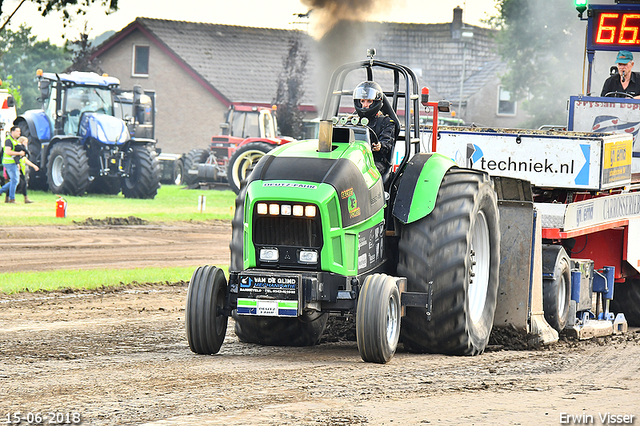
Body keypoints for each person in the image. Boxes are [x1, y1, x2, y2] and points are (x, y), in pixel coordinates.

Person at [353, 81, 396, 175]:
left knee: (363, 174)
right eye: (362, 101)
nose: (365, 105)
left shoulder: (386, 122)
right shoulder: (352, 121)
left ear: (376, 102)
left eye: (369, 101)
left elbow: (387, 143)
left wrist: (380, 146)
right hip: (353, 160)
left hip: (375, 161)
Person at [0, 125, 26, 203]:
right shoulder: (8, 140)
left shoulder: (15, 140)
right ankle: (12, 199)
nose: (19, 133)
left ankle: (2, 192)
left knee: (15, 181)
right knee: (14, 180)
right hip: (9, 163)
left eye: (19, 131)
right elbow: (8, 152)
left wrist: (18, 163)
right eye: (17, 131)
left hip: (13, 163)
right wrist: (19, 153)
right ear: (12, 132)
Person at [12, 136, 39, 204]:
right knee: (15, 183)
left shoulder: (23, 150)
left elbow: (25, 160)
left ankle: (25, 199)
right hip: (17, 168)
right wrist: (18, 164)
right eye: (25, 142)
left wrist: (34, 166)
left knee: (22, 183)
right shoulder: (18, 150)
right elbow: (17, 158)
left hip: (22, 170)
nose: (26, 144)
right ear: (21, 142)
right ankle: (7, 195)